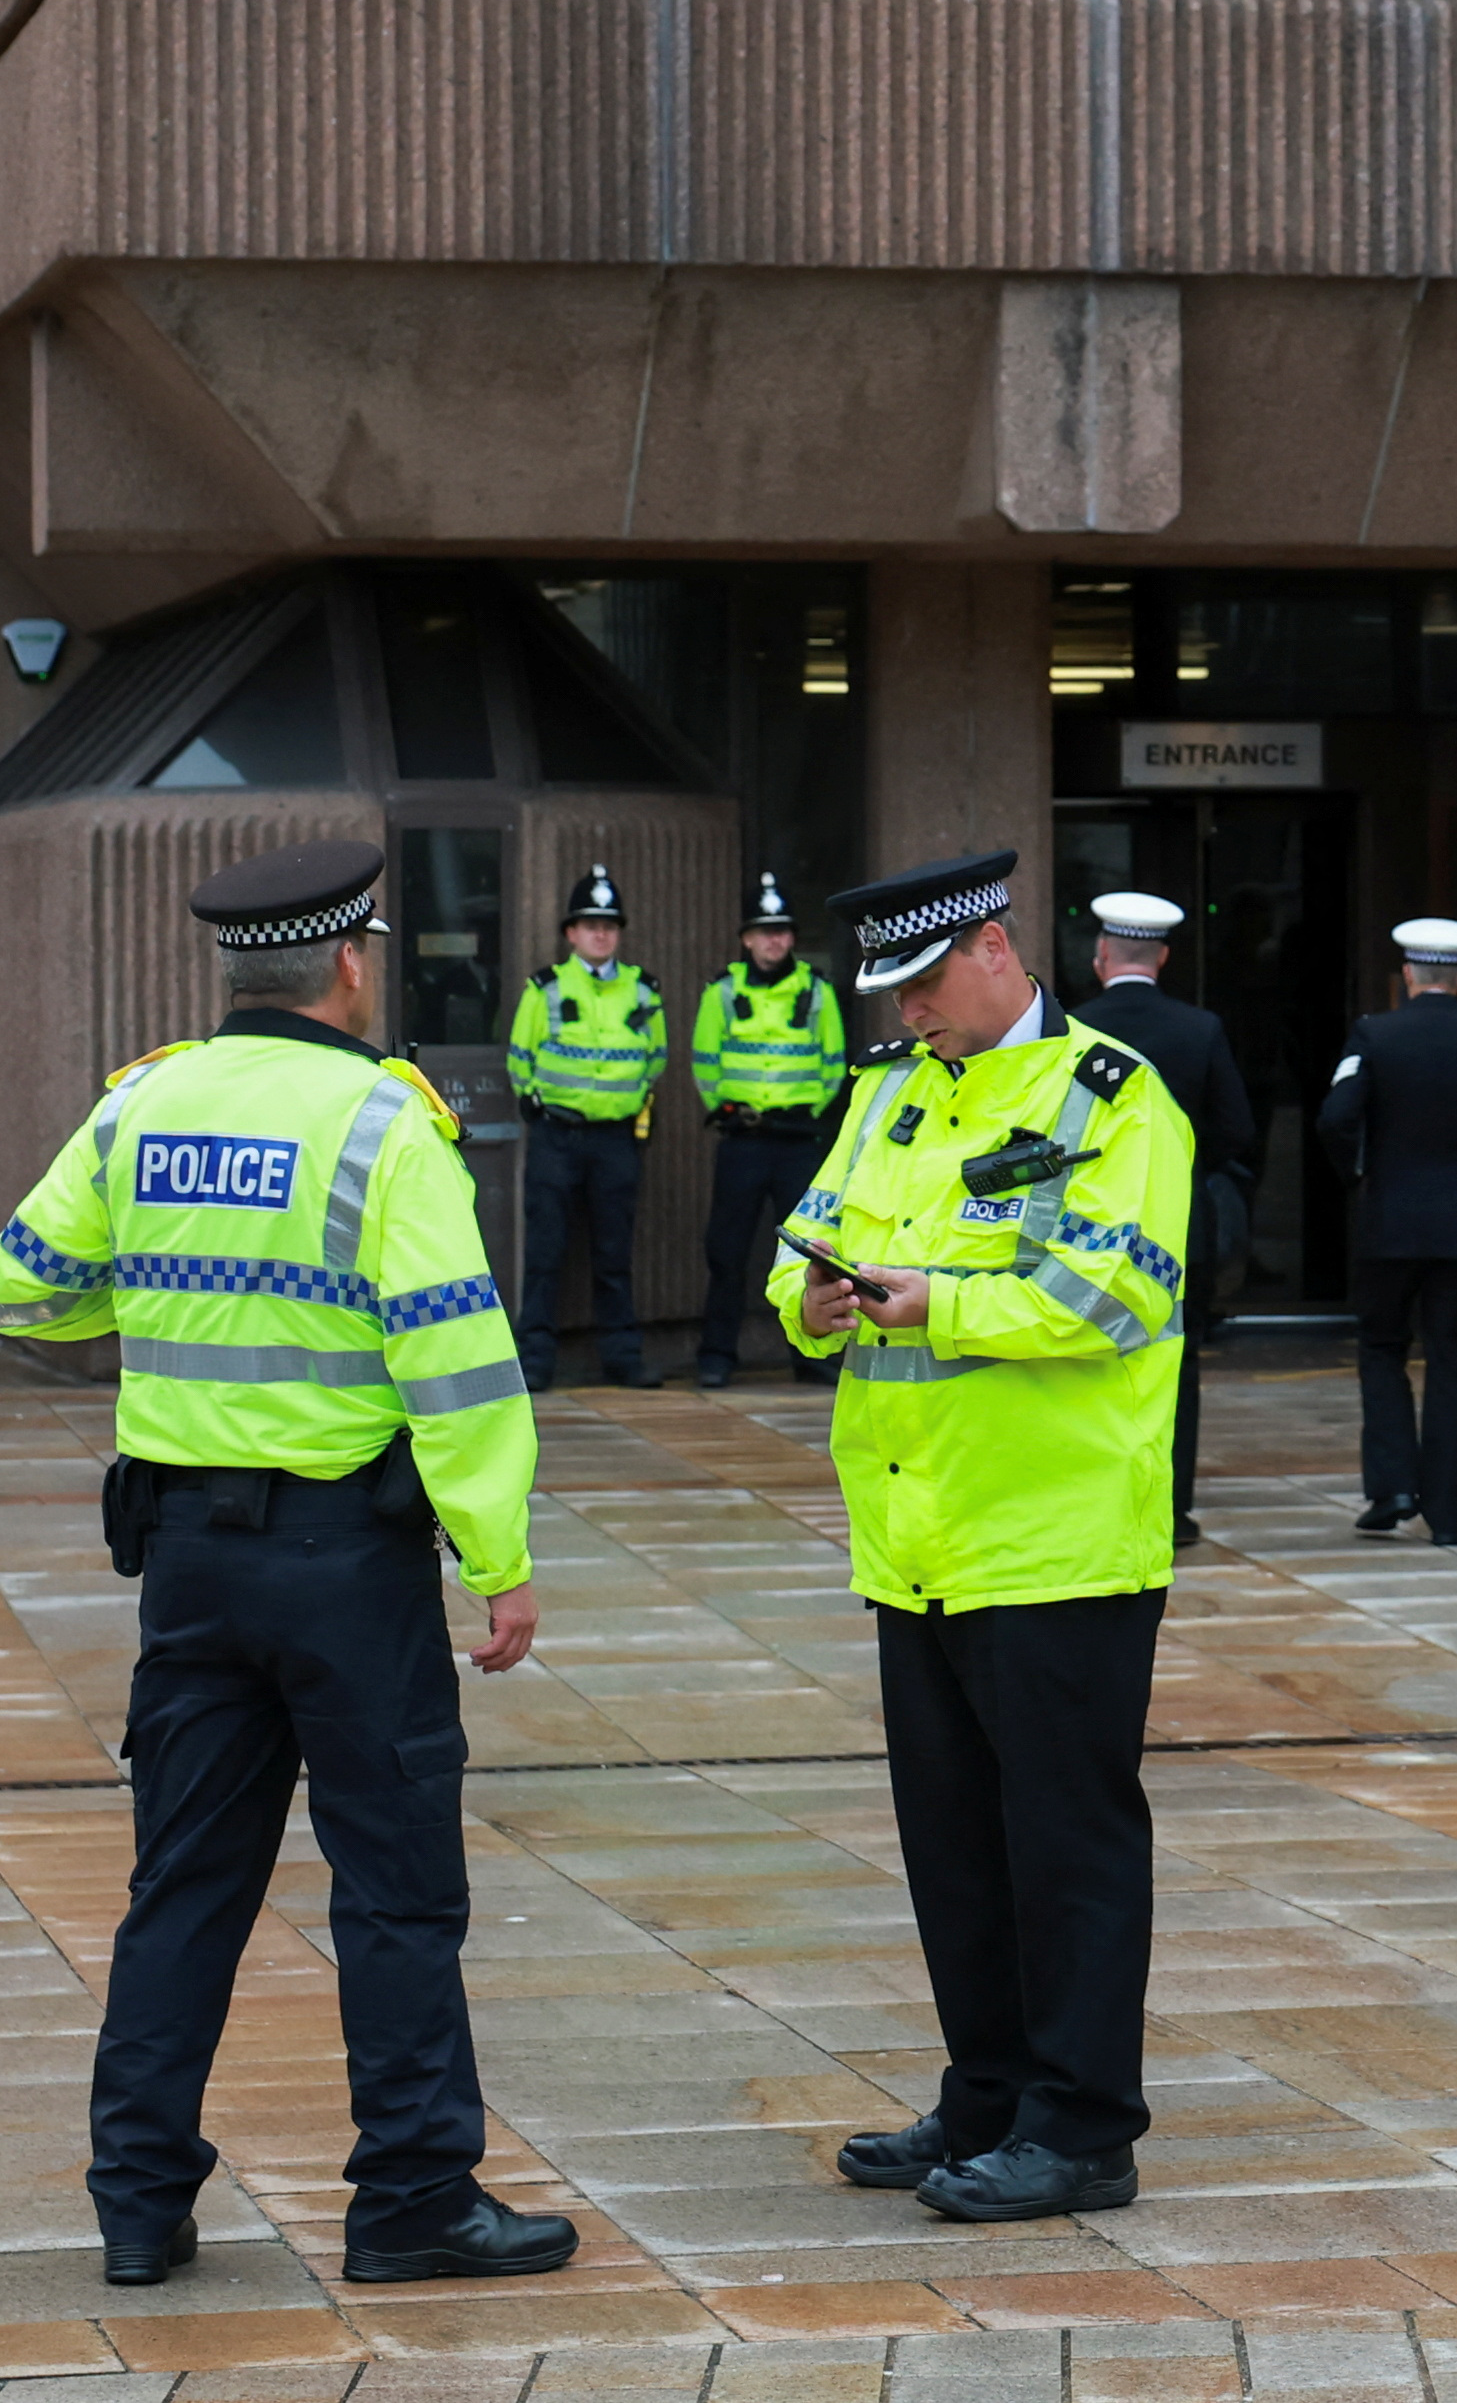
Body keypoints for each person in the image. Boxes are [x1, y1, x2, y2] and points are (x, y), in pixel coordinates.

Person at [0, 837, 574, 2288]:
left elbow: (10, 1284)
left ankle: (136, 2199)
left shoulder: (141, 1107)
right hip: (346, 1566)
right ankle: (414, 2199)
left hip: (185, 1563)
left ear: (235, 969)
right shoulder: (384, 1123)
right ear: (351, 962)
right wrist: (500, 1555)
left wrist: (163, 1278)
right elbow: (458, 1363)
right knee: (394, 1889)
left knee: (182, 1883)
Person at [778, 849, 1192, 2226]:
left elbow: (1109, 1293)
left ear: (995, 950)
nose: (902, 1013)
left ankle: (1081, 2125)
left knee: (1065, 1843)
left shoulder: (1112, 1099)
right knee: (952, 1843)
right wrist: (813, 1302)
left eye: (919, 984)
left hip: (1058, 1538)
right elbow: (807, 1238)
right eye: (888, 991)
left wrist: (932, 1304)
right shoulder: (888, 1094)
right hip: (915, 1534)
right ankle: (987, 2092)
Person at [1320, 918, 1457, 1544]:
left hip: (1389, 1222)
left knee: (1383, 1349)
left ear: (1410, 975)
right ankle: (1450, 1514)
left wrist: (1359, 1175)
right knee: (1455, 1362)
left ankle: (1391, 1485)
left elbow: (1336, 1117)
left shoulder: (1374, 1034)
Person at [1072, 890, 1256, 1543]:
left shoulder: (1073, 1026)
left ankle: (1100, 1503)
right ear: (1163, 958)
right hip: (1180, 1226)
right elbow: (1236, 1128)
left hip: (1086, 1228)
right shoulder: (1199, 1029)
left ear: (1100, 956)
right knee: (1178, 1368)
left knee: (1085, 1363)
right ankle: (1170, 1512)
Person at [504, 864, 663, 1389]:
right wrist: (540, 1100)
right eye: (590, 924)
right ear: (571, 933)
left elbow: (656, 1058)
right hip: (558, 1136)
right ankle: (535, 1362)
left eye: (610, 925)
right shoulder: (545, 988)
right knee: (545, 1253)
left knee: (615, 1254)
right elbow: (520, 1058)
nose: (601, 933)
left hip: (616, 1139)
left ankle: (623, 1360)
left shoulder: (642, 991)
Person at [690, 873, 847, 1393]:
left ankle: (813, 1356)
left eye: (781, 931)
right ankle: (717, 1357)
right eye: (763, 932)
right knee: (726, 1251)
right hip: (743, 1138)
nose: (773, 940)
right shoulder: (722, 991)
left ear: (791, 938)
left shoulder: (817, 992)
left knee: (809, 1251)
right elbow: (704, 1063)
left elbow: (833, 1065)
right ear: (746, 938)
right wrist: (733, 1109)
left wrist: (800, 1111)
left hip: (799, 1141)